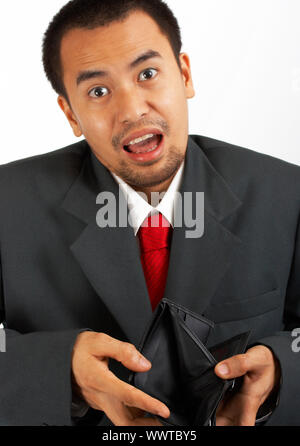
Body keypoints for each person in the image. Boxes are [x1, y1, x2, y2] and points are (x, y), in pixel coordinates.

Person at [0, 0, 299, 426]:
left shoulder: (286, 193)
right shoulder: (7, 204)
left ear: (185, 75)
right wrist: (58, 372)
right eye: (98, 91)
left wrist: (283, 372)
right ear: (70, 114)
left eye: (147, 74)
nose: (133, 110)